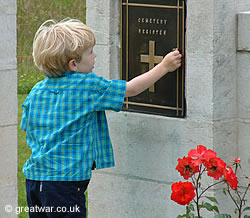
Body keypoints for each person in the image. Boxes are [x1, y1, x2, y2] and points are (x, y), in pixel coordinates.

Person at [21, 18, 182, 218]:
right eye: (90, 52)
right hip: (65, 185)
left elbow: (27, 128)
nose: (95, 55)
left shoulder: (36, 91)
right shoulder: (88, 86)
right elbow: (131, 89)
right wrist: (164, 66)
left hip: (35, 180)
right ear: (73, 64)